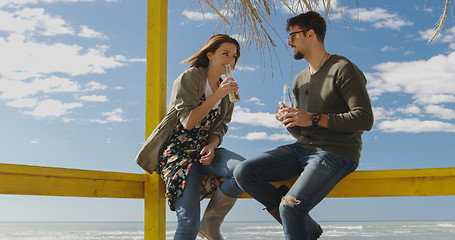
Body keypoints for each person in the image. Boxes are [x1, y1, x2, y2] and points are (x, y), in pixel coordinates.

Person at [233, 11, 374, 240]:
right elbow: (303, 129)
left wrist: (312, 117)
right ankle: (306, 226)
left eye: (293, 35)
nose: (289, 42)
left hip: (336, 152)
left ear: (311, 34)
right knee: (244, 172)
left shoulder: (343, 68)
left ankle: (296, 217)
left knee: (291, 206)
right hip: (303, 148)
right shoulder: (299, 80)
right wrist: (289, 120)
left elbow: (364, 118)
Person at [135, 34, 245, 240]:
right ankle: (200, 225)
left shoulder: (225, 89)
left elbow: (220, 127)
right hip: (178, 155)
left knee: (244, 170)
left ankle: (210, 223)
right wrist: (218, 95)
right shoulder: (191, 78)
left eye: (234, 56)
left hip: (204, 152)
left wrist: (212, 146)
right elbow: (187, 121)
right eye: (225, 54)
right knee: (188, 223)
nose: (230, 60)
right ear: (210, 54)